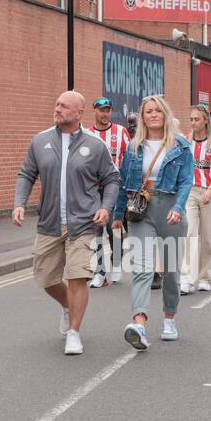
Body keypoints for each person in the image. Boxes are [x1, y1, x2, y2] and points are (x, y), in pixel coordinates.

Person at [14, 91, 121, 356]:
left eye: (63, 106)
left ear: (78, 113)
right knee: (47, 278)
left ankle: (74, 332)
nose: (57, 109)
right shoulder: (40, 141)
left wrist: (105, 208)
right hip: (49, 222)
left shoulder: (95, 145)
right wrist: (19, 202)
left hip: (83, 222)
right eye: (56, 104)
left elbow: (111, 179)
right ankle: (67, 306)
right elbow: (27, 173)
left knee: (78, 277)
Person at [113, 95, 194, 350]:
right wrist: (117, 215)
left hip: (171, 208)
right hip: (141, 209)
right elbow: (123, 182)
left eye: (158, 110)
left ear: (165, 114)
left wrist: (180, 207)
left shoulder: (180, 145)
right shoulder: (134, 147)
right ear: (142, 116)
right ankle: (139, 324)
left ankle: (169, 318)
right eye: (148, 111)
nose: (154, 114)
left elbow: (186, 181)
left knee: (171, 271)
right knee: (142, 269)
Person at [85, 97, 130, 288]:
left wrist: (128, 187)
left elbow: (129, 159)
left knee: (114, 228)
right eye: (102, 110)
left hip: (116, 188)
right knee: (96, 231)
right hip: (94, 190)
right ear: (94, 111)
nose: (105, 114)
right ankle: (100, 272)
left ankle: (117, 262)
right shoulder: (86, 134)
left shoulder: (121, 132)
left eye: (108, 110)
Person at [182, 105, 211, 294]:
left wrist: (210, 188)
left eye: (196, 119)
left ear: (205, 120)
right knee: (189, 234)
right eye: (191, 119)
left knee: (209, 238)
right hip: (189, 191)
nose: (193, 123)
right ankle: (187, 279)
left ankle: (205, 277)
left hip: (209, 192)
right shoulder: (186, 141)